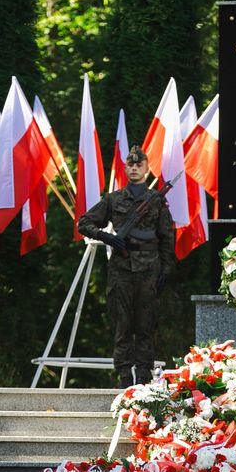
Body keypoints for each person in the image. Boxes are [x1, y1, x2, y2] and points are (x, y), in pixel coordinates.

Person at [77, 145, 175, 388]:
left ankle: (143, 376)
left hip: (149, 269)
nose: (134, 168)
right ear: (125, 168)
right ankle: (123, 376)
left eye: (138, 165)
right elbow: (84, 223)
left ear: (146, 168)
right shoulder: (113, 199)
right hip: (121, 268)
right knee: (122, 323)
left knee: (146, 323)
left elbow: (167, 237)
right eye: (130, 165)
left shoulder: (156, 201)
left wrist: (166, 269)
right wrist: (107, 237)